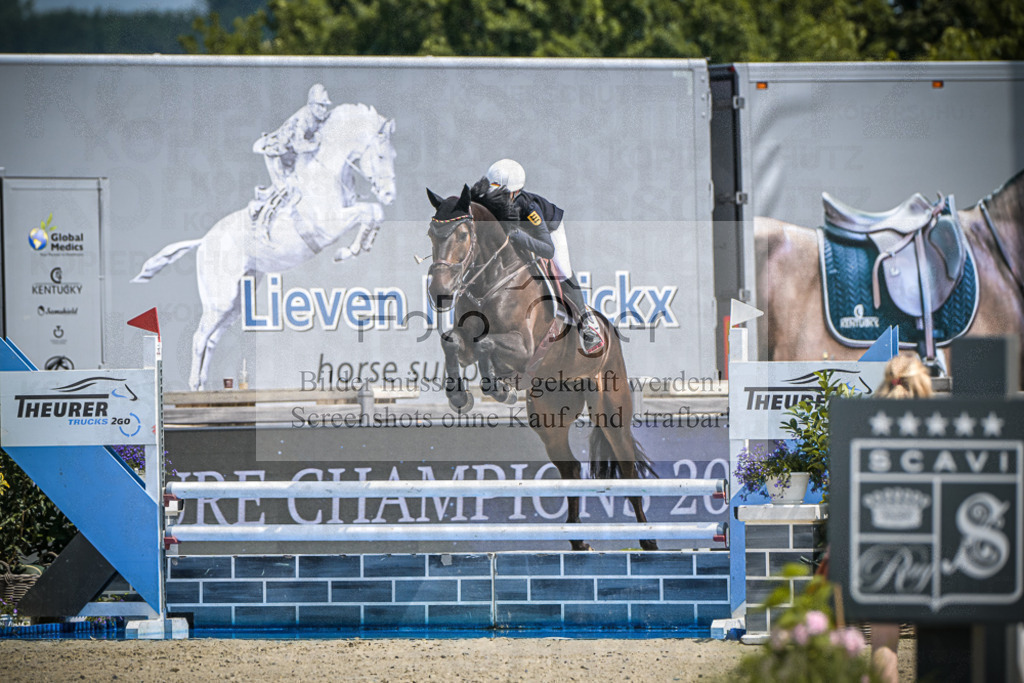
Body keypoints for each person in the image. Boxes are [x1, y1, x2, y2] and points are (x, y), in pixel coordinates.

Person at [483, 159, 605, 355]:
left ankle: (587, 324)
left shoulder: (530, 208)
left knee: (562, 270)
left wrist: (515, 234)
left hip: (548, 230)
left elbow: (547, 249)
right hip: (520, 232)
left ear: (514, 192)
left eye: (501, 195)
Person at [870, 352, 934, 683]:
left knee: (883, 641)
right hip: (936, 544)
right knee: (944, 645)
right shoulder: (939, 428)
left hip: (881, 545)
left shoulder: (867, 427)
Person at [249, 84, 333, 232]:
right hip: (276, 153)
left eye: (325, 106)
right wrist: (316, 144)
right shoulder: (302, 120)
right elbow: (299, 146)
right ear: (312, 105)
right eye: (321, 106)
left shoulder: (318, 118)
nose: (324, 110)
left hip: (292, 156)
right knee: (284, 190)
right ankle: (258, 210)